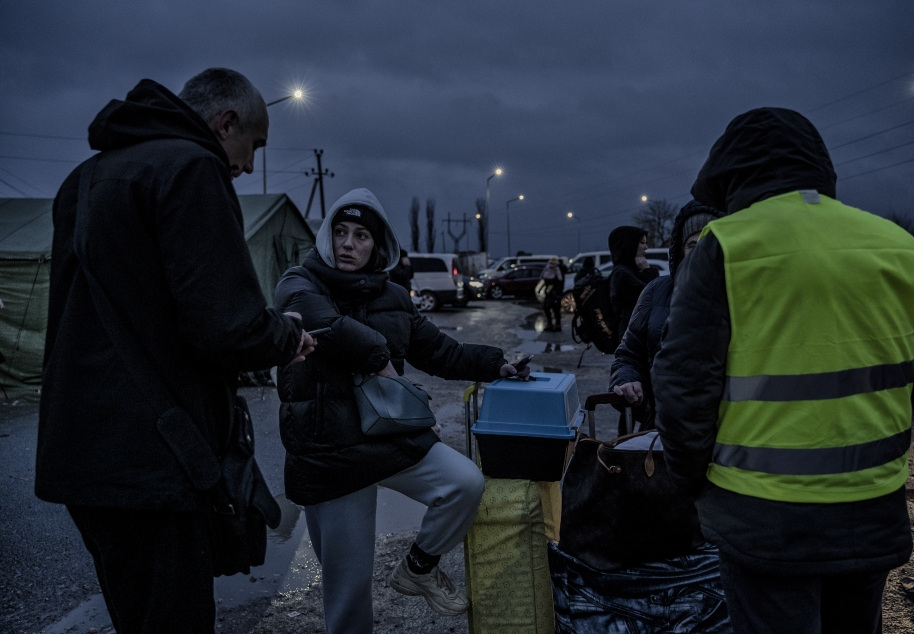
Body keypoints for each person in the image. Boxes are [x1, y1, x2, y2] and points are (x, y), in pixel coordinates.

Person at [35, 69, 315, 634]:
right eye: (252, 145)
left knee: (136, 615)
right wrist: (288, 335)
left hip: (83, 457)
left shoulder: (83, 180)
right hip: (154, 461)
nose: (248, 166)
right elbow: (226, 325)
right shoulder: (192, 168)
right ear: (225, 122)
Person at [651, 107, 914, 634]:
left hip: (765, 519)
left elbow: (685, 383)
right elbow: (913, 371)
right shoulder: (899, 246)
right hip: (872, 508)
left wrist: (689, 482)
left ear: (731, 174)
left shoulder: (727, 245)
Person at [274, 187, 530, 634]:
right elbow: (326, 324)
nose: (348, 243)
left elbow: (440, 352)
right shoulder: (298, 283)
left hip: (388, 435)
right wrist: (379, 357)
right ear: (325, 237)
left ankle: (419, 567)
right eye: (340, 232)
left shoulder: (393, 296)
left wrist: (496, 363)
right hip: (332, 453)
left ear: (378, 246)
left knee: (465, 482)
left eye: (361, 236)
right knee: (350, 595)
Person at [610, 201, 723, 431]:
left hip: (726, 436)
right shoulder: (656, 290)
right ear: (680, 249)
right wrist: (627, 379)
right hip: (660, 430)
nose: (701, 251)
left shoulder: (743, 294)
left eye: (709, 241)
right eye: (692, 244)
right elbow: (629, 355)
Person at [608, 226, 659, 343]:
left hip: (637, 333)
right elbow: (652, 295)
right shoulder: (621, 274)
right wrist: (648, 271)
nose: (646, 247)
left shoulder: (631, 270)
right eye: (642, 243)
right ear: (628, 245)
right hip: (631, 337)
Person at [540, 256, 565, 331]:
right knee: (548, 308)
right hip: (551, 293)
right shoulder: (553, 270)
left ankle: (556, 325)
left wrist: (554, 290)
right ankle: (551, 324)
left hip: (554, 293)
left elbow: (560, 283)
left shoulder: (558, 271)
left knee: (555, 310)